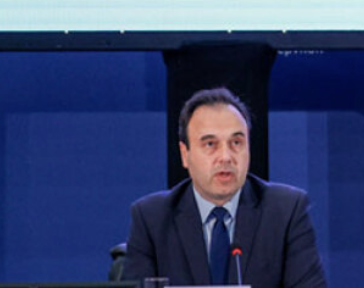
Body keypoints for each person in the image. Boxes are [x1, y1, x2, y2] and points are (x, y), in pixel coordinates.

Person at [123, 87, 329, 288]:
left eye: (236, 143)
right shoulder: (152, 219)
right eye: (210, 144)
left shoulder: (286, 212)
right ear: (185, 154)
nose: (226, 157)